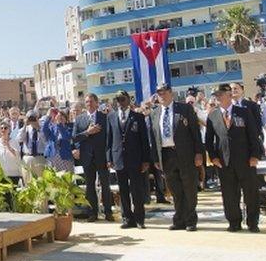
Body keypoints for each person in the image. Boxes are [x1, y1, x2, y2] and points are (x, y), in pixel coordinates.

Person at [206, 85, 264, 232]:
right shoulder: (213, 115)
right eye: (216, 95)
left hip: (245, 160)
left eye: (220, 94)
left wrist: (255, 155)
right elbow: (209, 140)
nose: (217, 97)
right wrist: (213, 157)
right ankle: (234, 222)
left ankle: (253, 222)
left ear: (229, 95)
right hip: (224, 162)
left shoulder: (243, 112)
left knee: (251, 193)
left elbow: (253, 135)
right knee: (229, 194)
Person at [150, 83, 204, 231]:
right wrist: (156, 158)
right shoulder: (155, 113)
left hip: (185, 154)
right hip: (166, 155)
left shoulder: (184, 108)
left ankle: (191, 220)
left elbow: (195, 132)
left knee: (189, 187)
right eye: (159, 93)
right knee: (175, 189)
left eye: (164, 92)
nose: (161, 95)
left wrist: (199, 153)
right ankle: (179, 219)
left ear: (171, 93)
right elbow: (153, 138)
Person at [106, 91, 151, 229]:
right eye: (118, 99)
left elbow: (144, 140)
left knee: (136, 190)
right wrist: (109, 158)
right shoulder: (111, 117)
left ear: (128, 100)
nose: (120, 102)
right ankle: (127, 218)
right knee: (123, 190)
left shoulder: (138, 116)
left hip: (135, 158)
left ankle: (139, 219)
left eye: (123, 99)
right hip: (118, 158)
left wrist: (145, 160)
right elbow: (109, 139)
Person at [73, 93, 113, 222]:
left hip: (102, 157)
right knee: (90, 187)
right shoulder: (79, 119)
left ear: (96, 103)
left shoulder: (105, 117)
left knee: (105, 185)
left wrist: (109, 157)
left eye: (91, 101)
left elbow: (109, 138)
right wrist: (87, 132)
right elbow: (74, 138)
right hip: (87, 157)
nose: (88, 104)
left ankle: (108, 212)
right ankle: (92, 213)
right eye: (86, 101)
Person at [18, 111, 47, 175]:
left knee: (40, 181)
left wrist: (38, 128)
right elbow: (20, 139)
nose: (32, 120)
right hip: (27, 157)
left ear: (37, 118)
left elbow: (46, 142)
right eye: (30, 118)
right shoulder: (25, 129)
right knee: (28, 182)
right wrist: (25, 125)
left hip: (40, 157)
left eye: (33, 118)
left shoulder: (43, 129)